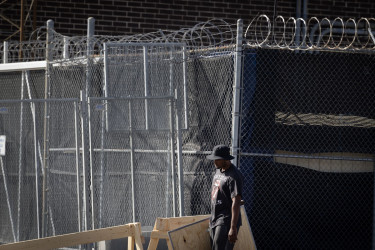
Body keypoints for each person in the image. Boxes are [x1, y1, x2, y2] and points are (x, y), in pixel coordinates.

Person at [206, 144, 244, 250]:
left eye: (217, 159)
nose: (214, 162)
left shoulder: (234, 176)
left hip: (226, 219)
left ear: (225, 159)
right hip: (215, 216)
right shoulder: (219, 169)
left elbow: (236, 202)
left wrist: (233, 228)